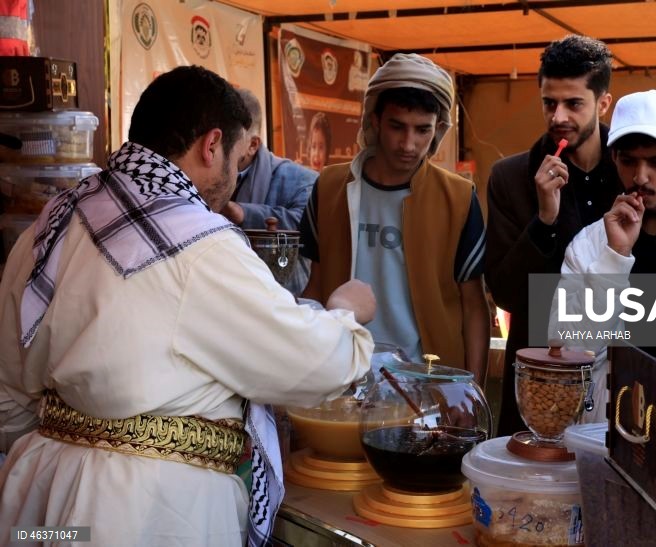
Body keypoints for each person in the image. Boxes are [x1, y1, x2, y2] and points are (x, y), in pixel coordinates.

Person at [0, 65, 375, 547]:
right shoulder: (197, 244)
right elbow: (314, 364)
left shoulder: (49, 224)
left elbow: (9, 396)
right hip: (141, 518)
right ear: (211, 145)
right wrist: (344, 313)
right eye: (238, 163)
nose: (235, 181)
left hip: (37, 504)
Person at [299, 53, 489, 382]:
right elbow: (314, 287)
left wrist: (471, 391)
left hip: (428, 381)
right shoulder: (330, 187)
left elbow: (474, 305)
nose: (408, 144)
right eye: (397, 126)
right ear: (374, 120)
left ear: (439, 129)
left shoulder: (457, 198)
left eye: (422, 130)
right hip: (342, 374)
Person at [485, 35, 622, 436]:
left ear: (602, 103)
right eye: (549, 103)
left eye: (574, 103)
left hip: (622, 376)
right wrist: (544, 220)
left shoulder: (636, 171)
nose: (558, 115)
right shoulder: (511, 177)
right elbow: (507, 293)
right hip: (539, 384)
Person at [554, 89, 656, 422]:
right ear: (613, 158)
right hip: (613, 422)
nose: (641, 177)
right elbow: (569, 348)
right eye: (629, 160)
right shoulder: (588, 245)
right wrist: (615, 256)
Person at [220, 89, 317, 295]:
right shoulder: (208, 174)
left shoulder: (301, 179)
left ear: (253, 145)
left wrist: (244, 214)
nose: (218, 149)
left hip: (285, 302)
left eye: (228, 141)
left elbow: (309, 226)